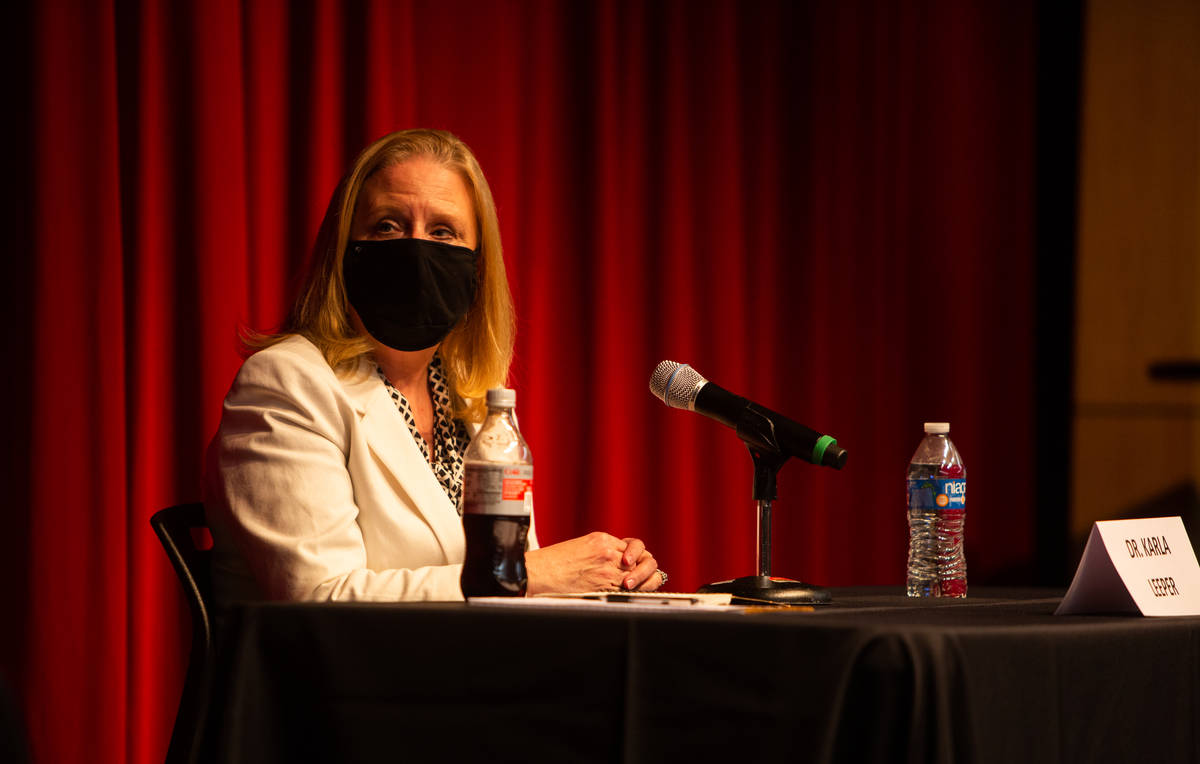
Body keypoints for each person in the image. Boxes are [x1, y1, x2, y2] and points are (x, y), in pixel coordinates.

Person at [205, 128, 665, 602]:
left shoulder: (470, 401)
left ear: (477, 265)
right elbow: (321, 599)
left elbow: (516, 587)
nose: (416, 251)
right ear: (343, 250)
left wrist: (608, 573)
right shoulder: (286, 383)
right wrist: (533, 574)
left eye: (443, 232)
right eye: (387, 226)